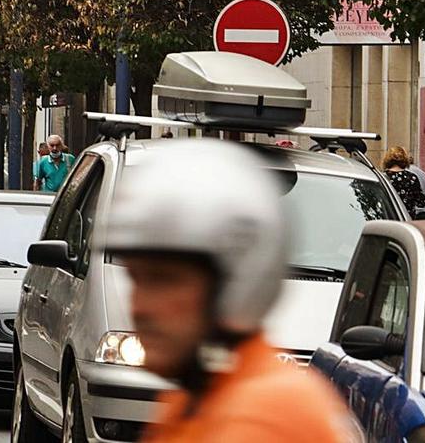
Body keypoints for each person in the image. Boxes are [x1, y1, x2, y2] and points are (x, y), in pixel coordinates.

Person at [101, 140, 355, 442]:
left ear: (235, 283)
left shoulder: (264, 418)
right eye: (136, 279)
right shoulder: (200, 399)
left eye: (163, 280)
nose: (139, 307)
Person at [382, 146, 425, 220]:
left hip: (390, 219)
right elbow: (421, 202)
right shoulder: (411, 177)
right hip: (408, 218)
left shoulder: (383, 177)